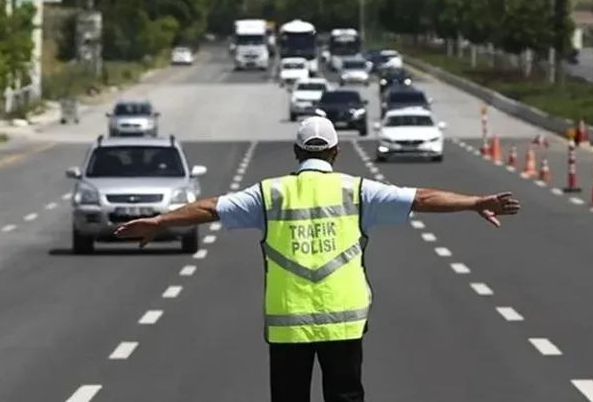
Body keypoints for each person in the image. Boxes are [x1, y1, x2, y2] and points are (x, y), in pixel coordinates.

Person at [114, 116, 520, 402]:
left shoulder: (269, 194)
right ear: (337, 152)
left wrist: (160, 221)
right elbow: (422, 198)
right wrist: (474, 202)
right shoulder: (358, 191)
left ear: (295, 152)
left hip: (288, 325)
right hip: (344, 321)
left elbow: (209, 208)